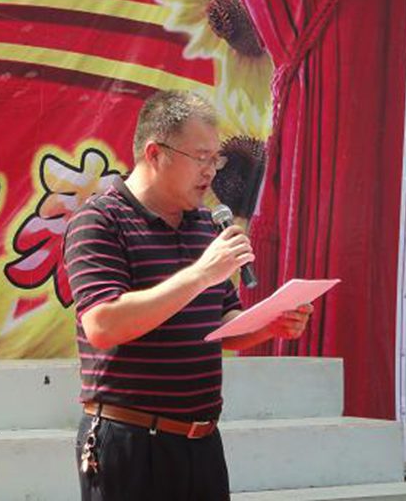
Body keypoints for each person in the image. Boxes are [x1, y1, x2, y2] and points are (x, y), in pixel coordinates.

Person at [62, 89, 313, 501]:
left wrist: (271, 323)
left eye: (216, 159)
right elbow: (103, 325)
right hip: (130, 442)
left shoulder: (206, 225)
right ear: (155, 153)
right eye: (201, 158)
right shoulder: (100, 220)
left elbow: (222, 325)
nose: (211, 172)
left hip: (201, 441)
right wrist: (200, 274)